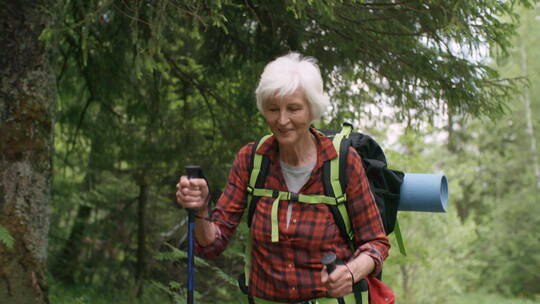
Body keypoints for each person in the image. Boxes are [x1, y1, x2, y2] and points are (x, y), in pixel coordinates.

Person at [176, 52, 390, 303]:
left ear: (312, 109)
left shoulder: (342, 163)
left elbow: (376, 243)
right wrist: (202, 208)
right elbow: (212, 244)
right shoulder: (251, 160)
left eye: (294, 109)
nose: (282, 120)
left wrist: (351, 273)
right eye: (273, 109)